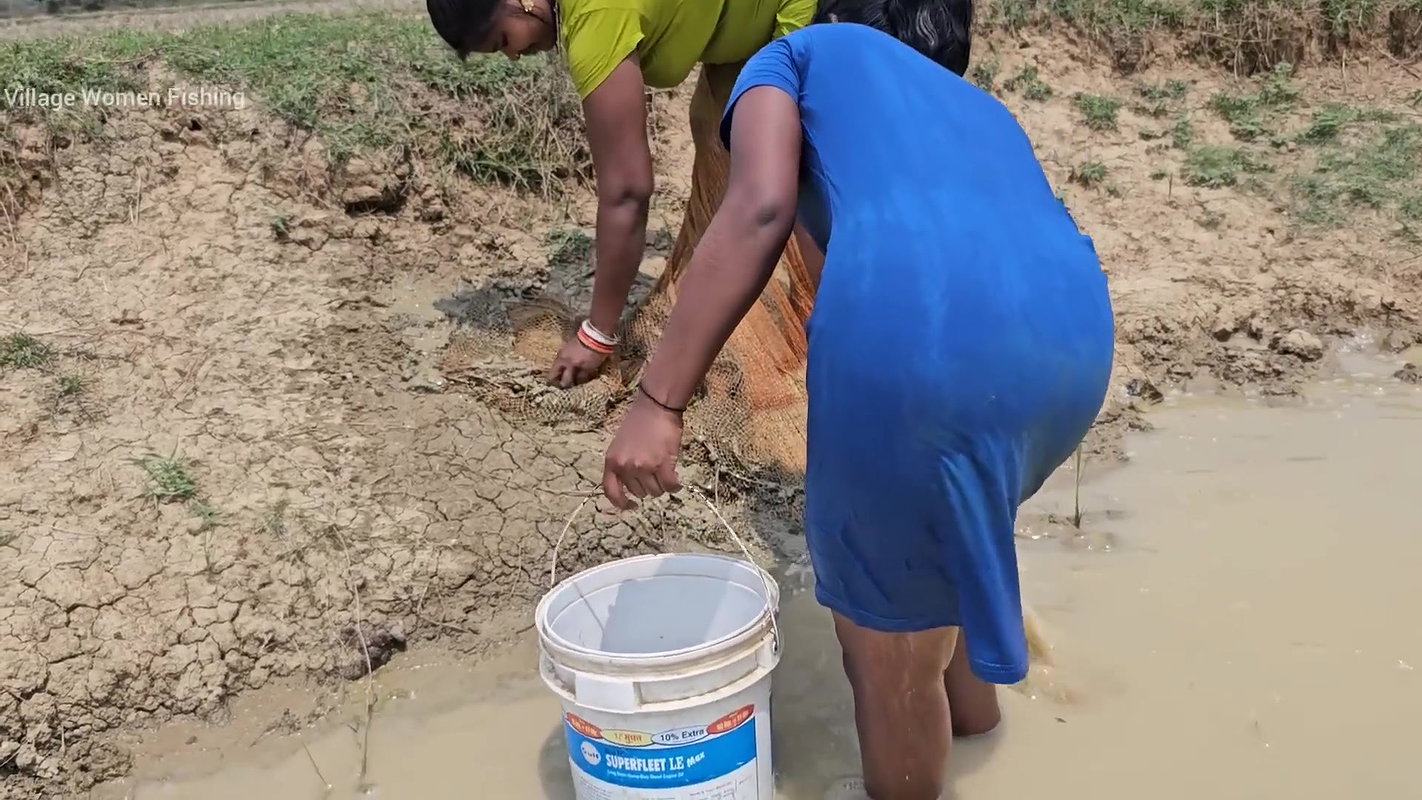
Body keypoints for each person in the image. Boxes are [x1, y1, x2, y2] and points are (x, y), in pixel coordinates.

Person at [598, 8, 1115, 800]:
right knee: (947, 526)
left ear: (836, 12)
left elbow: (762, 208)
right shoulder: (973, 107)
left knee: (886, 669)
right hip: (1071, 345)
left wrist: (659, 402)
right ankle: (977, 726)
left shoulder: (794, 56)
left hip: (926, 343)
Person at [426, 0, 973, 467]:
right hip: (778, 25)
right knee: (727, 130)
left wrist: (598, 333)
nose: (516, 55)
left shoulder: (591, 18)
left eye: (502, 40)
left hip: (849, 12)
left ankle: (895, 372)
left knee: (829, 196)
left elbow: (627, 193)